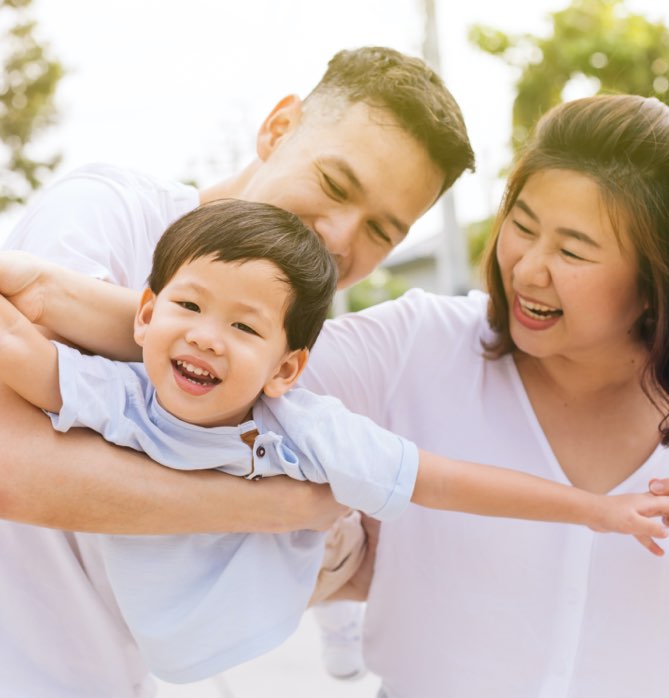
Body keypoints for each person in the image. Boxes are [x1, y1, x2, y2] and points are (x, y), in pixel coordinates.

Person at [4, 201, 669, 685]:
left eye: (242, 325)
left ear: (286, 369)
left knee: (339, 502)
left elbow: (444, 479)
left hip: (283, 582)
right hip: (174, 627)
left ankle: (342, 619)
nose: (207, 336)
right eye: (189, 307)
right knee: (321, 497)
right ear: (144, 315)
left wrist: (594, 510)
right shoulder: (122, 396)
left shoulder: (303, 423)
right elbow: (22, 353)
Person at [0, 45, 478, 698]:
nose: (340, 237)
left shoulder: (287, 359)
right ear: (278, 128)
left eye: (382, 232)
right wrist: (280, 508)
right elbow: (17, 468)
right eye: (336, 186)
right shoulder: (109, 212)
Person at [298, 93, 669, 697]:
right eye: (521, 227)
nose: (526, 270)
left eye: (572, 251)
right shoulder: (417, 344)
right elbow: (220, 366)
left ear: (654, 281)